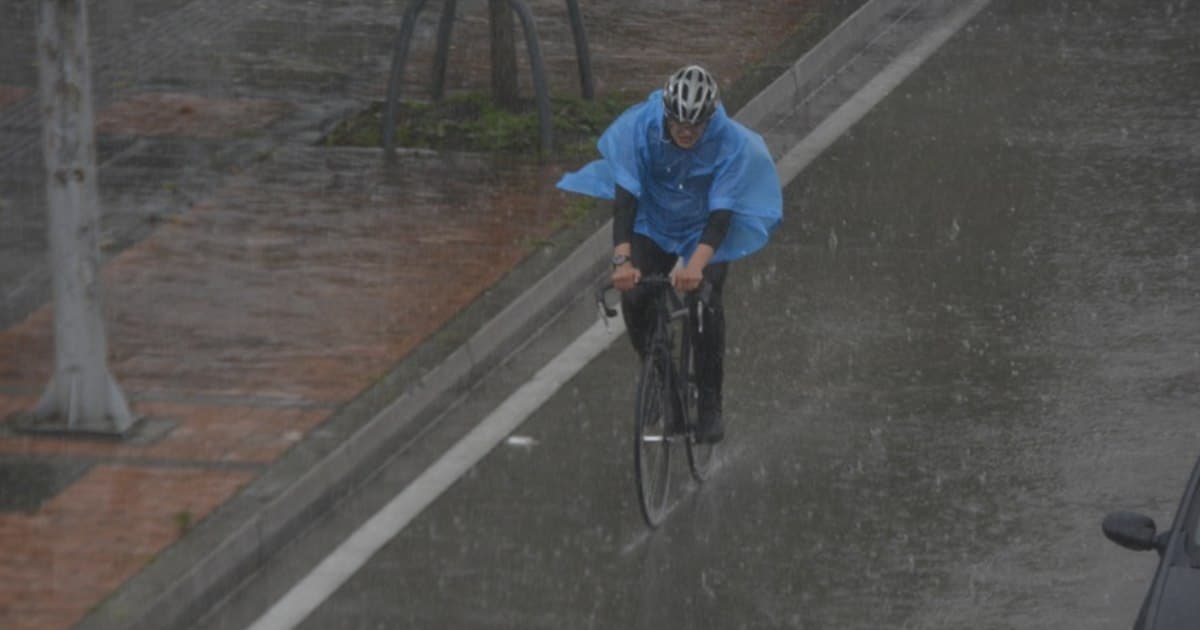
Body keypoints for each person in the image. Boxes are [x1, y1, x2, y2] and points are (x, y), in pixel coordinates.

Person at [558, 64, 782, 443]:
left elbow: (720, 216)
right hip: (653, 219)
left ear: (710, 118)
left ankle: (711, 403)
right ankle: (663, 382)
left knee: (706, 302)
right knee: (637, 296)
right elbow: (625, 203)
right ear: (666, 112)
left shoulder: (729, 143)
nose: (686, 131)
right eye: (678, 122)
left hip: (702, 223)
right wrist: (622, 262)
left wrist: (695, 267)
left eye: (695, 126)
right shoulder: (638, 129)